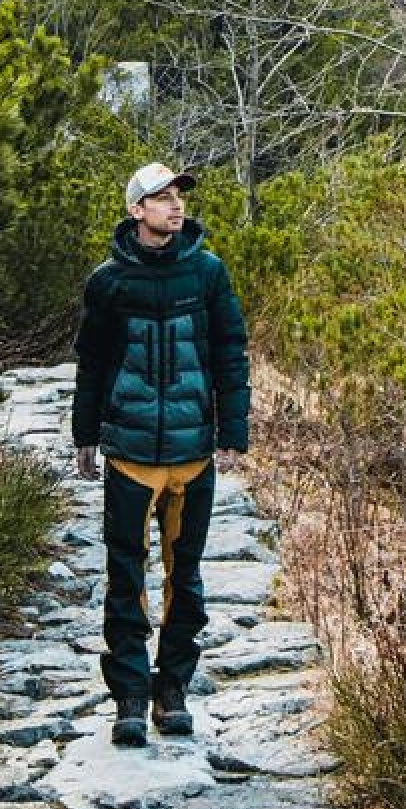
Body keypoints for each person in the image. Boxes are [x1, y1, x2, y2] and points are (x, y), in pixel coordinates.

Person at [72, 162, 250, 747]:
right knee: (126, 578)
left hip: (192, 454)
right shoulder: (108, 282)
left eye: (178, 196)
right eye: (161, 197)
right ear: (136, 210)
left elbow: (230, 351)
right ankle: (129, 697)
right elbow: (92, 362)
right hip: (129, 454)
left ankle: (172, 690)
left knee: (185, 580)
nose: (175, 206)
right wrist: (84, 435)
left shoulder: (207, 272)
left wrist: (234, 430)